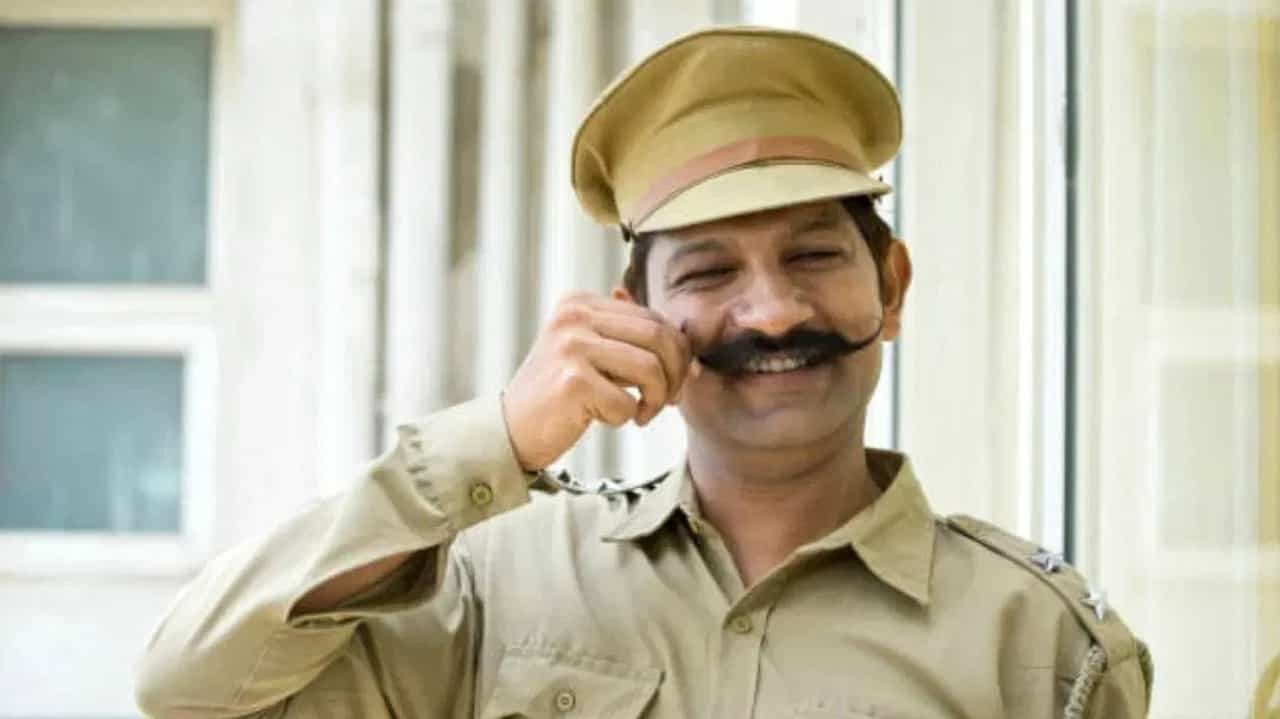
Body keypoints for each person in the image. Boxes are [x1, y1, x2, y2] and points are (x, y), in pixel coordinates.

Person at [135, 26, 1153, 718]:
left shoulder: (1042, 644)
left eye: (812, 254)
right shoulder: (493, 581)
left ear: (890, 286)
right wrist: (494, 441)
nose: (771, 311)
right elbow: (188, 687)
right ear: (631, 317)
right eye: (709, 271)